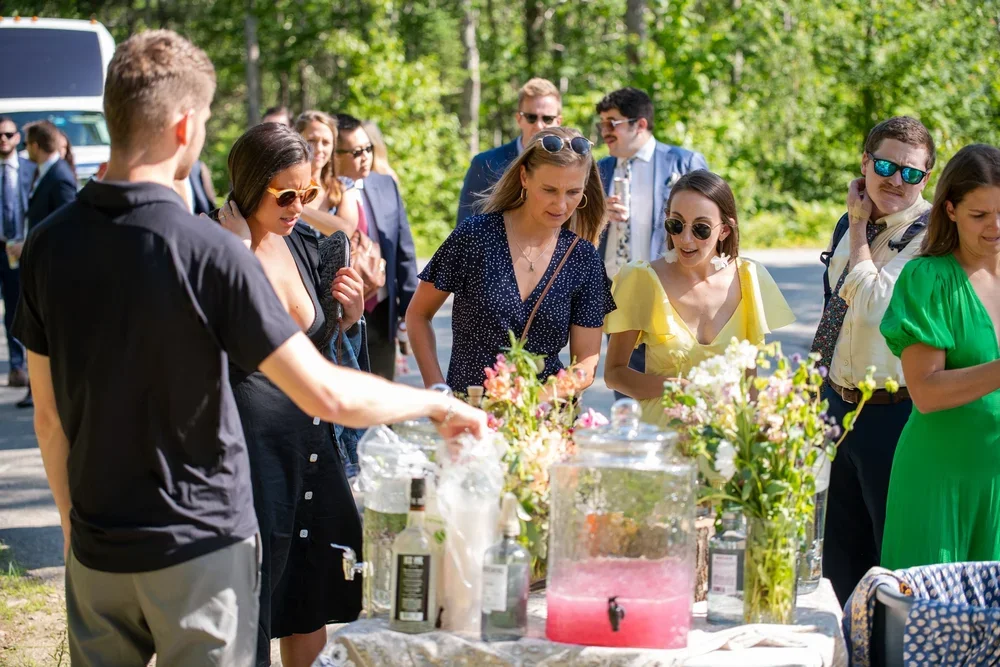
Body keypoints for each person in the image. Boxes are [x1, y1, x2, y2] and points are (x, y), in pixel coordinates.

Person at [11, 30, 485, 667]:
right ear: (184, 127)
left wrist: (73, 527)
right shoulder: (210, 251)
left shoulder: (47, 243)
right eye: (204, 120)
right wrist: (437, 407)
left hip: (97, 547)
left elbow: (48, 418)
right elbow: (323, 389)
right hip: (200, 547)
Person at [214, 123, 367, 667]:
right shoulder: (208, 246)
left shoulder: (305, 243)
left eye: (306, 193)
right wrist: (232, 260)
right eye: (286, 195)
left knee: (310, 595)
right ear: (249, 184)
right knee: (248, 603)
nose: (299, 206)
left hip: (310, 444)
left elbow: (320, 347)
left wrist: (348, 320)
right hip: (248, 457)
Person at [810, 116, 936, 605]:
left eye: (911, 173)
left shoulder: (931, 239)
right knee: (839, 559)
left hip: (894, 414)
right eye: (884, 165)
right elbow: (836, 309)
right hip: (838, 408)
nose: (895, 181)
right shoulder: (851, 221)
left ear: (927, 177)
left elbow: (874, 305)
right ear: (865, 163)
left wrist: (860, 225)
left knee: (890, 564)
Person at [407, 126, 614, 395]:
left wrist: (536, 400)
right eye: (549, 190)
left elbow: (586, 361)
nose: (561, 205)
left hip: (545, 422)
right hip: (469, 416)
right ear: (524, 177)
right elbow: (418, 315)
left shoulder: (583, 258)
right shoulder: (475, 236)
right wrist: (438, 393)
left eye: (573, 192)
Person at [878, 144, 1000, 569]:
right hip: (939, 481)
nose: (995, 227)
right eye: (979, 215)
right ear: (949, 210)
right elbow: (926, 391)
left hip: (997, 485)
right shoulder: (928, 277)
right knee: (931, 628)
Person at [604, 170, 794, 426]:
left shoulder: (749, 279)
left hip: (727, 447)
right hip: (664, 441)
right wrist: (676, 388)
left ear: (725, 230)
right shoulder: (641, 278)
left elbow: (750, 384)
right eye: (676, 224)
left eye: (701, 229)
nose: (685, 238)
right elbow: (614, 374)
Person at [594, 87, 708, 396]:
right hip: (616, 296)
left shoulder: (682, 163)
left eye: (612, 123)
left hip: (669, 295)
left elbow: (709, 227)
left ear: (640, 124)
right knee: (625, 389)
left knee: (673, 392)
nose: (605, 132)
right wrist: (598, 216)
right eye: (602, 124)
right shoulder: (598, 170)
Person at [335, 113, 418, 380]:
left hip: (381, 312)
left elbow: (404, 251)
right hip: (338, 316)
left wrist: (410, 313)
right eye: (356, 151)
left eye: (368, 148)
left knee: (383, 403)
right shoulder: (321, 196)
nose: (366, 157)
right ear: (335, 155)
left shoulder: (385, 185)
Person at [11, 120, 77, 409]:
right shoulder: (46, 172)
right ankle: (39, 389)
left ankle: (47, 391)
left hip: (53, 268)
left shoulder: (60, 175)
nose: (27, 150)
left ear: (37, 145)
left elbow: (67, 224)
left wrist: (29, 245)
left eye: (27, 144)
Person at [457, 77, 562, 225]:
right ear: (519, 119)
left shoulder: (569, 169)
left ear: (558, 122)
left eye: (547, 119)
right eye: (531, 117)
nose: (539, 125)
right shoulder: (485, 164)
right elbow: (465, 228)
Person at [0, 116, 35, 389]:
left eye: (9, 134)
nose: (3, 139)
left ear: (16, 138)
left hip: (18, 248)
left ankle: (17, 366)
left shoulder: (29, 169)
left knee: (15, 306)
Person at [292, 111, 361, 236]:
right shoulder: (284, 187)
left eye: (326, 142)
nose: (319, 149)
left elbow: (346, 230)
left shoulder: (344, 186)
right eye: (312, 140)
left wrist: (295, 207)